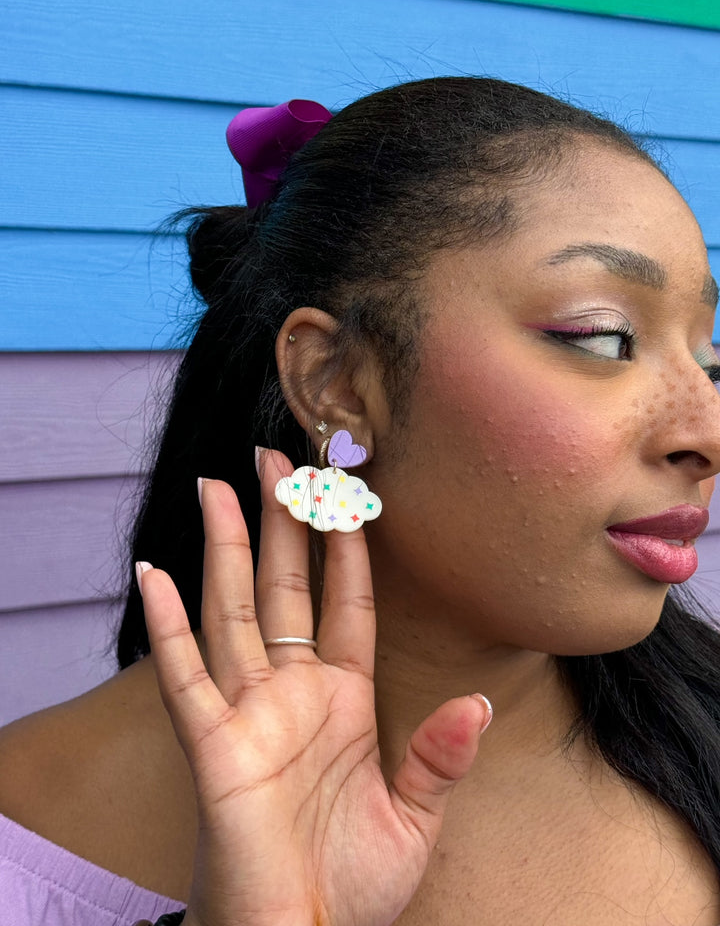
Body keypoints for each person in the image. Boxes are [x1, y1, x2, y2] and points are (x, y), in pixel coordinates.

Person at [1, 76, 720, 926]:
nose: (704, 431)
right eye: (602, 337)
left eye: (709, 361)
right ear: (336, 382)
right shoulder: (27, 847)